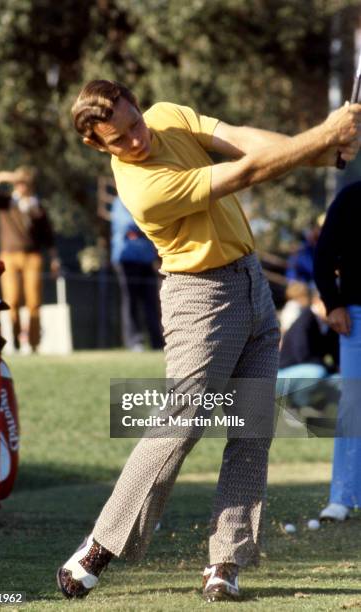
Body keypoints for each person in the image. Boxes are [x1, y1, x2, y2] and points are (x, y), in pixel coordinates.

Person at [56, 80, 361, 602]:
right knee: (182, 423)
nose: (137, 139)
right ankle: (101, 544)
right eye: (120, 139)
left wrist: (319, 152)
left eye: (135, 124)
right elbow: (243, 173)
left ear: (137, 105)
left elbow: (243, 141)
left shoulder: (167, 115)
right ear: (98, 146)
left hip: (251, 286)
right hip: (199, 299)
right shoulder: (141, 187)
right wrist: (320, 137)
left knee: (252, 429)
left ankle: (226, 562)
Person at [314, 182, 361, 522]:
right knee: (353, 403)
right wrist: (333, 303)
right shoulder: (351, 197)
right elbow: (324, 254)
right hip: (357, 314)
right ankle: (342, 497)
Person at [0, 166, 61, 352]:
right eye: (19, 183)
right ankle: (14, 338)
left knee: (34, 303)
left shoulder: (35, 206)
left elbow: (47, 235)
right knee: (12, 300)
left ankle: (34, 344)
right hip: (9, 255)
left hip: (32, 256)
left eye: (25, 183)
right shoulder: (5, 202)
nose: (22, 187)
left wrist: (55, 258)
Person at [111, 195, 163, 350]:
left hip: (146, 259)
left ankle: (156, 341)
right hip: (127, 260)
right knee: (130, 301)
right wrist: (147, 224)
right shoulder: (119, 202)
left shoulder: (144, 198)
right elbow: (125, 224)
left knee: (151, 302)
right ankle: (134, 341)